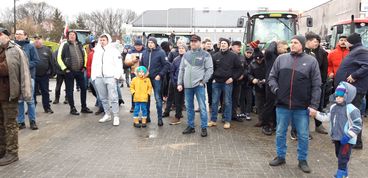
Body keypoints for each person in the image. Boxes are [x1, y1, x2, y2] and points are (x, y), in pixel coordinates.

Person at [268, 35, 321, 173]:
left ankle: (302, 160)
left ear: (302, 45)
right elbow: (272, 77)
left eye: (295, 42)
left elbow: (317, 85)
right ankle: (280, 156)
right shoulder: (281, 59)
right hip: (282, 105)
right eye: (291, 42)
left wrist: (314, 105)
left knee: (303, 135)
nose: (292, 45)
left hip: (302, 106)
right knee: (280, 132)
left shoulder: (311, 61)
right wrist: (276, 90)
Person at [313, 82, 362, 178]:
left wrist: (348, 135)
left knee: (343, 158)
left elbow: (357, 125)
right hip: (337, 137)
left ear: (348, 96)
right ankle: (344, 172)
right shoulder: (333, 107)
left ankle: (340, 174)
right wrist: (315, 114)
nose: (338, 98)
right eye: (337, 96)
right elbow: (327, 117)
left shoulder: (351, 109)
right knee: (338, 155)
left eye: (341, 96)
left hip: (347, 139)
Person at [0, 27, 32, 166]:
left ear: (6, 37)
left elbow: (23, 72)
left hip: (10, 94)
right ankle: (2, 151)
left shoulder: (16, 50)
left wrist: (26, 93)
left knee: (10, 124)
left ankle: (12, 153)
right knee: (0, 125)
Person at [335, 32, 368, 150]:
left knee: (353, 115)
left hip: (355, 90)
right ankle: (351, 138)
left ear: (351, 42)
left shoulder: (361, 51)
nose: (345, 43)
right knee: (350, 114)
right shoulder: (356, 51)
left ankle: (356, 142)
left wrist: (354, 75)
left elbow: (366, 65)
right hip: (352, 89)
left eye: (347, 41)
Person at [177, 34, 213, 137]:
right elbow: (181, 69)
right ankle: (191, 126)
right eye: (192, 41)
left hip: (199, 86)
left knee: (202, 107)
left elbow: (209, 69)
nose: (193, 43)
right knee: (189, 107)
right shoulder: (186, 55)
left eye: (195, 41)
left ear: (200, 43)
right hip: (187, 86)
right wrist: (180, 83)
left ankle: (204, 127)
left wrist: (203, 81)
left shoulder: (206, 55)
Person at [209, 38, 243, 129]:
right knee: (215, 101)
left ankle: (227, 121)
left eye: (225, 43)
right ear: (219, 45)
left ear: (228, 45)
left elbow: (240, 69)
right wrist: (213, 78)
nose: (223, 44)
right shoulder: (215, 56)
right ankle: (213, 120)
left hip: (227, 82)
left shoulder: (234, 56)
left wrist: (233, 78)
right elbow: (211, 69)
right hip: (216, 82)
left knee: (227, 102)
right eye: (222, 43)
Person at [57, 30, 93, 115]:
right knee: (70, 90)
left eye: (73, 35)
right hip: (69, 72)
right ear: (68, 36)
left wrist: (84, 66)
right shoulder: (64, 45)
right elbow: (59, 58)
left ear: (76, 36)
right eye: (70, 35)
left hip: (80, 71)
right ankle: (72, 108)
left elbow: (85, 56)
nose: (72, 36)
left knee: (84, 89)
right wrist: (65, 69)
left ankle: (84, 107)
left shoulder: (80, 45)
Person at [91, 34, 123, 126]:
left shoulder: (113, 50)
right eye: (100, 40)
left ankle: (116, 116)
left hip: (110, 77)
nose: (102, 42)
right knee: (103, 98)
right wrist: (94, 77)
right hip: (99, 77)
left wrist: (116, 76)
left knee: (113, 97)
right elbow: (94, 64)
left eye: (104, 40)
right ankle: (107, 114)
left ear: (108, 40)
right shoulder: (97, 51)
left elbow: (118, 64)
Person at [140, 37, 170, 126]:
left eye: (152, 42)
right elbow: (141, 65)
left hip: (156, 79)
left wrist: (160, 75)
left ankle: (160, 119)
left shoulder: (161, 52)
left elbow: (166, 65)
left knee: (158, 99)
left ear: (155, 43)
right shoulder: (144, 52)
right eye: (149, 42)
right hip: (146, 79)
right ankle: (147, 117)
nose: (150, 44)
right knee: (146, 99)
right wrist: (141, 74)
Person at [261, 40, 288, 135]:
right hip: (271, 83)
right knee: (269, 104)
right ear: (278, 47)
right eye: (284, 49)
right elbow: (268, 51)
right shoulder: (270, 56)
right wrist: (274, 42)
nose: (286, 51)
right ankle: (265, 124)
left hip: (280, 83)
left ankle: (275, 124)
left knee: (277, 104)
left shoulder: (283, 57)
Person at [14, 29, 40, 130]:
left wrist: (25, 66)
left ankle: (32, 121)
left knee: (30, 100)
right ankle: (21, 122)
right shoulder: (13, 47)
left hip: (29, 77)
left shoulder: (31, 47)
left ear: (25, 36)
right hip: (16, 78)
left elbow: (36, 61)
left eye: (20, 34)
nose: (18, 36)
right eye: (16, 34)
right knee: (19, 101)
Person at [33, 34, 54, 114]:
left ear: (42, 40)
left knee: (45, 92)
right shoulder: (31, 48)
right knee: (33, 93)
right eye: (35, 38)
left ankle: (47, 107)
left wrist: (51, 73)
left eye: (39, 38)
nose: (37, 40)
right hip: (33, 75)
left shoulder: (47, 49)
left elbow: (52, 62)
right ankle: (32, 108)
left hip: (44, 75)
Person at [168, 44, 187, 125]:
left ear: (186, 50)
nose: (181, 49)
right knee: (177, 100)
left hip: (187, 83)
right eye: (180, 48)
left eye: (183, 48)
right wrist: (173, 81)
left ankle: (188, 118)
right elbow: (172, 71)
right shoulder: (176, 59)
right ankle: (177, 116)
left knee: (186, 101)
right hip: (177, 83)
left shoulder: (189, 59)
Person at [125, 39, 145, 113]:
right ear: (134, 45)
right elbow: (126, 62)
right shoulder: (130, 52)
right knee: (134, 90)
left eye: (139, 45)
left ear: (142, 45)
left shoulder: (145, 51)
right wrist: (133, 61)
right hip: (134, 73)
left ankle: (144, 105)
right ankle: (133, 106)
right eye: (137, 45)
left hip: (144, 73)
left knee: (144, 90)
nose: (138, 47)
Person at [248, 49, 266, 127]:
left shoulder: (267, 63)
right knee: (259, 104)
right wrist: (252, 79)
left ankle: (269, 121)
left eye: (260, 59)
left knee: (268, 104)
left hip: (267, 86)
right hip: (258, 86)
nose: (259, 61)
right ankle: (261, 120)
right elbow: (249, 74)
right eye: (257, 60)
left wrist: (267, 79)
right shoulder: (252, 64)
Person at [230, 41, 246, 122]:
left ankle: (234, 115)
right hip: (230, 81)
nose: (239, 48)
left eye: (240, 46)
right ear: (232, 47)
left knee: (235, 99)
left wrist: (243, 74)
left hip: (239, 82)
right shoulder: (228, 56)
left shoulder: (242, 57)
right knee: (227, 99)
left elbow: (246, 68)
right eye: (237, 46)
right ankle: (225, 115)